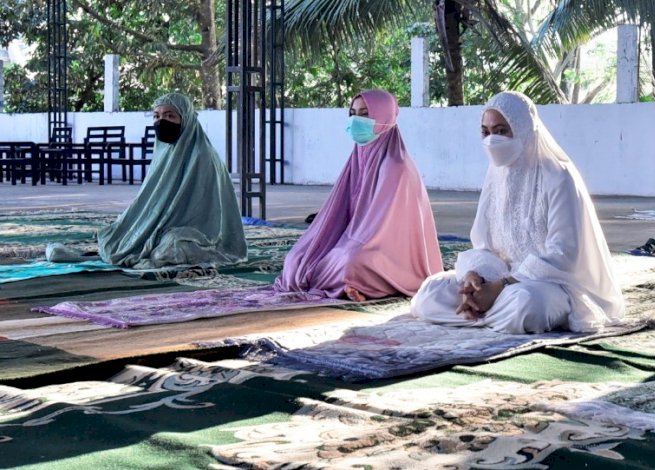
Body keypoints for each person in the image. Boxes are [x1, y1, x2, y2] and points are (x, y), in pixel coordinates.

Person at [410, 91, 625, 334]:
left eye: (501, 131)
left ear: (523, 129)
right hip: (500, 279)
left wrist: (501, 287)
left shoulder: (558, 176)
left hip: (548, 283)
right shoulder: (496, 175)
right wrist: (474, 278)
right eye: (486, 132)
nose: (492, 139)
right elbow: (484, 244)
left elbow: (564, 253)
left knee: (526, 305)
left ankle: (480, 311)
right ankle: (480, 308)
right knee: (430, 293)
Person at [275, 90, 443, 300]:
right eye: (353, 113)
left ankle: (356, 283)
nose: (356, 121)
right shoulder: (358, 157)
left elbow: (382, 230)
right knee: (296, 258)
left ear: (385, 117)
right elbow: (339, 213)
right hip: (352, 237)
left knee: (352, 262)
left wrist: (348, 245)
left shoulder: (396, 166)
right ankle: (349, 284)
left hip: (388, 248)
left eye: (365, 114)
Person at [95, 92, 246, 269]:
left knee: (171, 247)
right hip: (165, 225)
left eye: (169, 116)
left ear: (186, 120)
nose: (161, 122)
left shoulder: (202, 156)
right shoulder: (164, 151)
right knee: (115, 236)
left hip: (196, 230)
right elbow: (152, 199)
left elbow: (206, 213)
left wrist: (163, 226)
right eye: (156, 116)